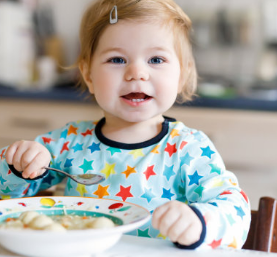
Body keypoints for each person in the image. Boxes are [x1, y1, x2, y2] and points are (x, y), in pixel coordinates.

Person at [0, 0, 250, 250]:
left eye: (156, 59)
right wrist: (18, 164)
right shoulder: (69, 142)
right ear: (88, 75)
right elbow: (7, 196)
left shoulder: (189, 148)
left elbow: (235, 210)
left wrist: (199, 223)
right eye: (117, 60)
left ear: (181, 75)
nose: (136, 72)